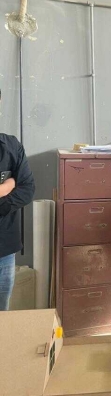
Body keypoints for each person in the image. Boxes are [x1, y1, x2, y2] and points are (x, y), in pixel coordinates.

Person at [0, 131, 35, 310]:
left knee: (3, 313)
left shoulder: (11, 145)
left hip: (5, 249)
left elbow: (27, 189)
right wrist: (7, 186)